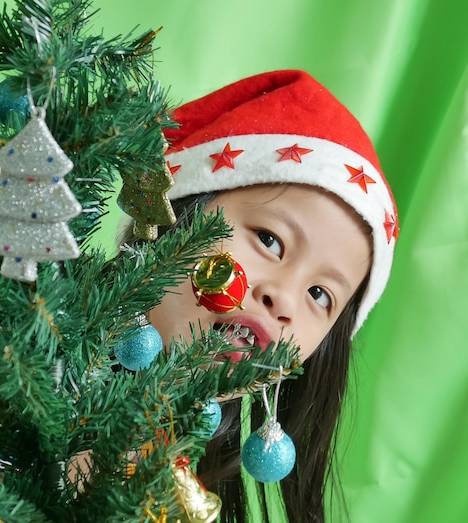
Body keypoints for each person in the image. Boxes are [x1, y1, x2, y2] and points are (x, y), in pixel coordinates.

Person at [133, 69, 399, 522]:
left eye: (320, 293)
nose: (284, 298)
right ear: (175, 214)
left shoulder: (178, 493)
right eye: (270, 241)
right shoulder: (8, 361)